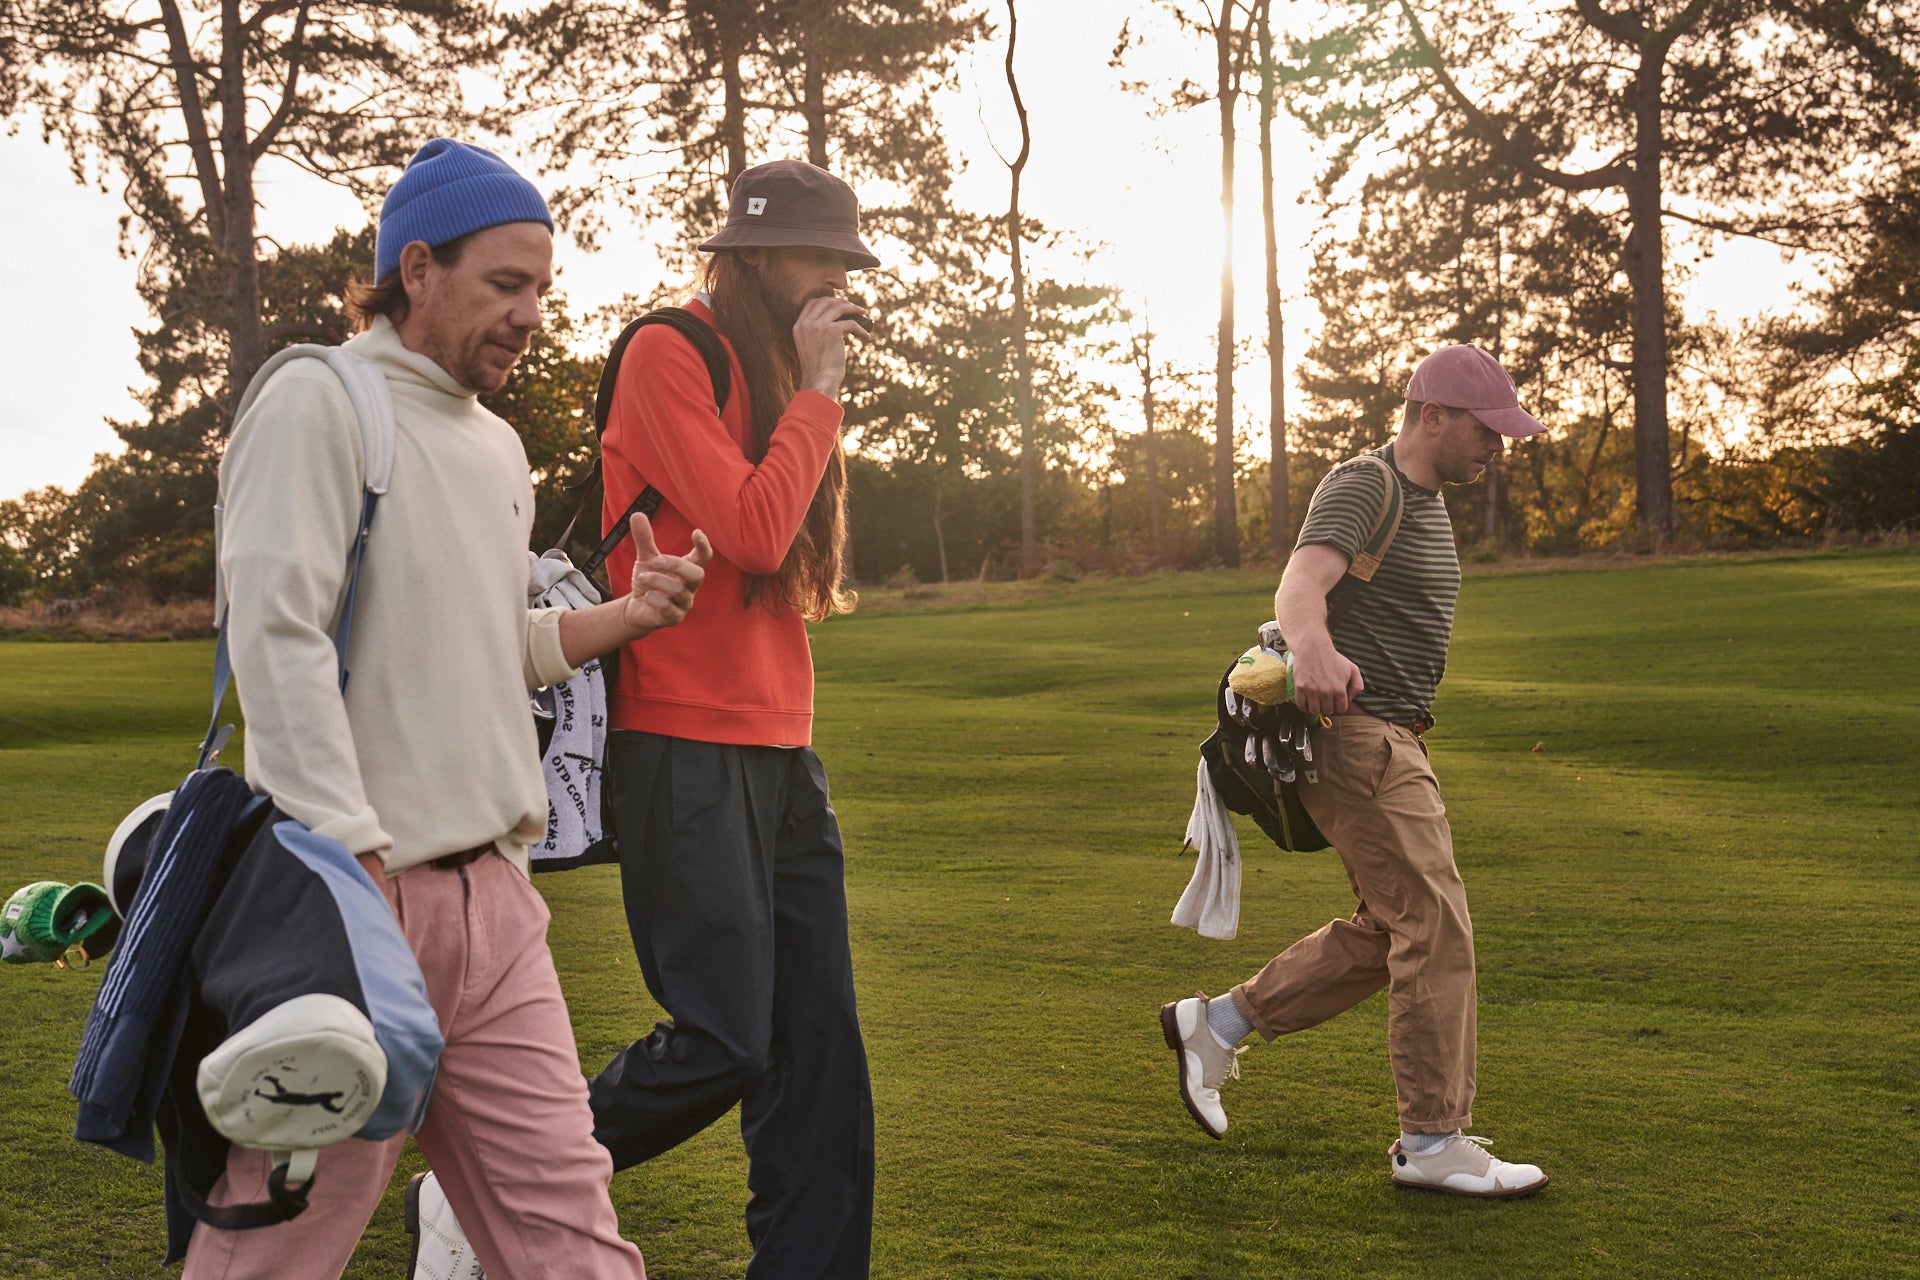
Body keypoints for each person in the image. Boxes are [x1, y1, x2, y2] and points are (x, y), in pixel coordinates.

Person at [190, 137, 710, 1279]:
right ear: (416, 269)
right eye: (505, 284)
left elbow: (489, 652)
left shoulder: (499, 445)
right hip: (352, 904)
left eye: (542, 290)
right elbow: (275, 642)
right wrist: (357, 868)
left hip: (501, 911)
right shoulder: (317, 400)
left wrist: (623, 619)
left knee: (574, 1243)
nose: (531, 315)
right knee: (276, 1251)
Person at [1161, 344, 1553, 1199]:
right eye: (1487, 431)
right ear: (1433, 415)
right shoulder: (1368, 484)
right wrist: (1311, 648)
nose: (1497, 448)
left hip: (1391, 737)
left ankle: (1215, 1026)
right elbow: (1301, 581)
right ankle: (1432, 1139)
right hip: (1358, 737)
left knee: (1393, 927)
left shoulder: (1425, 499)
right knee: (1436, 925)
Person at [586, 159, 876, 1278]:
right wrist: (819, 391)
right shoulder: (672, 352)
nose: (834, 283)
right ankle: (497, 1181)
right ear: (752, 255)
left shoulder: (775, 370)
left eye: (845, 263)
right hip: (678, 735)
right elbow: (754, 532)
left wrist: (807, 391)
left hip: (780, 745)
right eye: (816, 258)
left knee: (819, 1061)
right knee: (723, 1036)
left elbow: (788, 557)